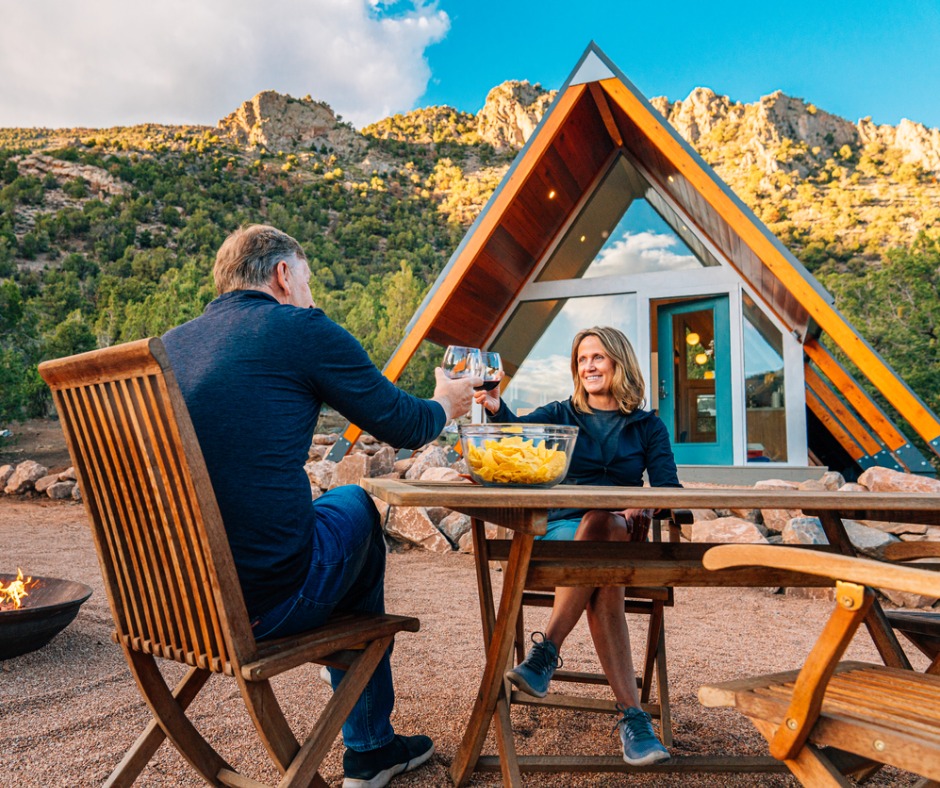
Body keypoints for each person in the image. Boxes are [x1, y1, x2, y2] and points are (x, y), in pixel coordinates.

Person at [162, 224, 479, 788]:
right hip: (264, 602)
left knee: (328, 517)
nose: (313, 299)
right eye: (308, 283)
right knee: (354, 502)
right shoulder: (299, 328)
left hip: (173, 601)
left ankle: (370, 736)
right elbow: (404, 423)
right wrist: (447, 402)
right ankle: (369, 745)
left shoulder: (170, 345)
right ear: (284, 275)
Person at [474, 325, 680, 766]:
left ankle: (545, 653)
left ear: (619, 363)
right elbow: (514, 436)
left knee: (601, 524)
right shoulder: (560, 414)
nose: (588, 366)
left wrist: (641, 506)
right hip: (563, 534)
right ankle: (633, 718)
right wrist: (494, 405)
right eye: (582, 359)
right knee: (601, 574)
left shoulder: (647, 426)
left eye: (598, 358)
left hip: (621, 534)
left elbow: (668, 491)